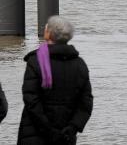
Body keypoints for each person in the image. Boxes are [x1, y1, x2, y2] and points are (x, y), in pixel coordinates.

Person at [18, 16, 93, 145]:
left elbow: (31, 99)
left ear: (48, 34)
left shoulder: (35, 61)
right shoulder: (80, 65)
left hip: (35, 134)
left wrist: (48, 130)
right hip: (66, 136)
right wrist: (73, 128)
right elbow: (86, 103)